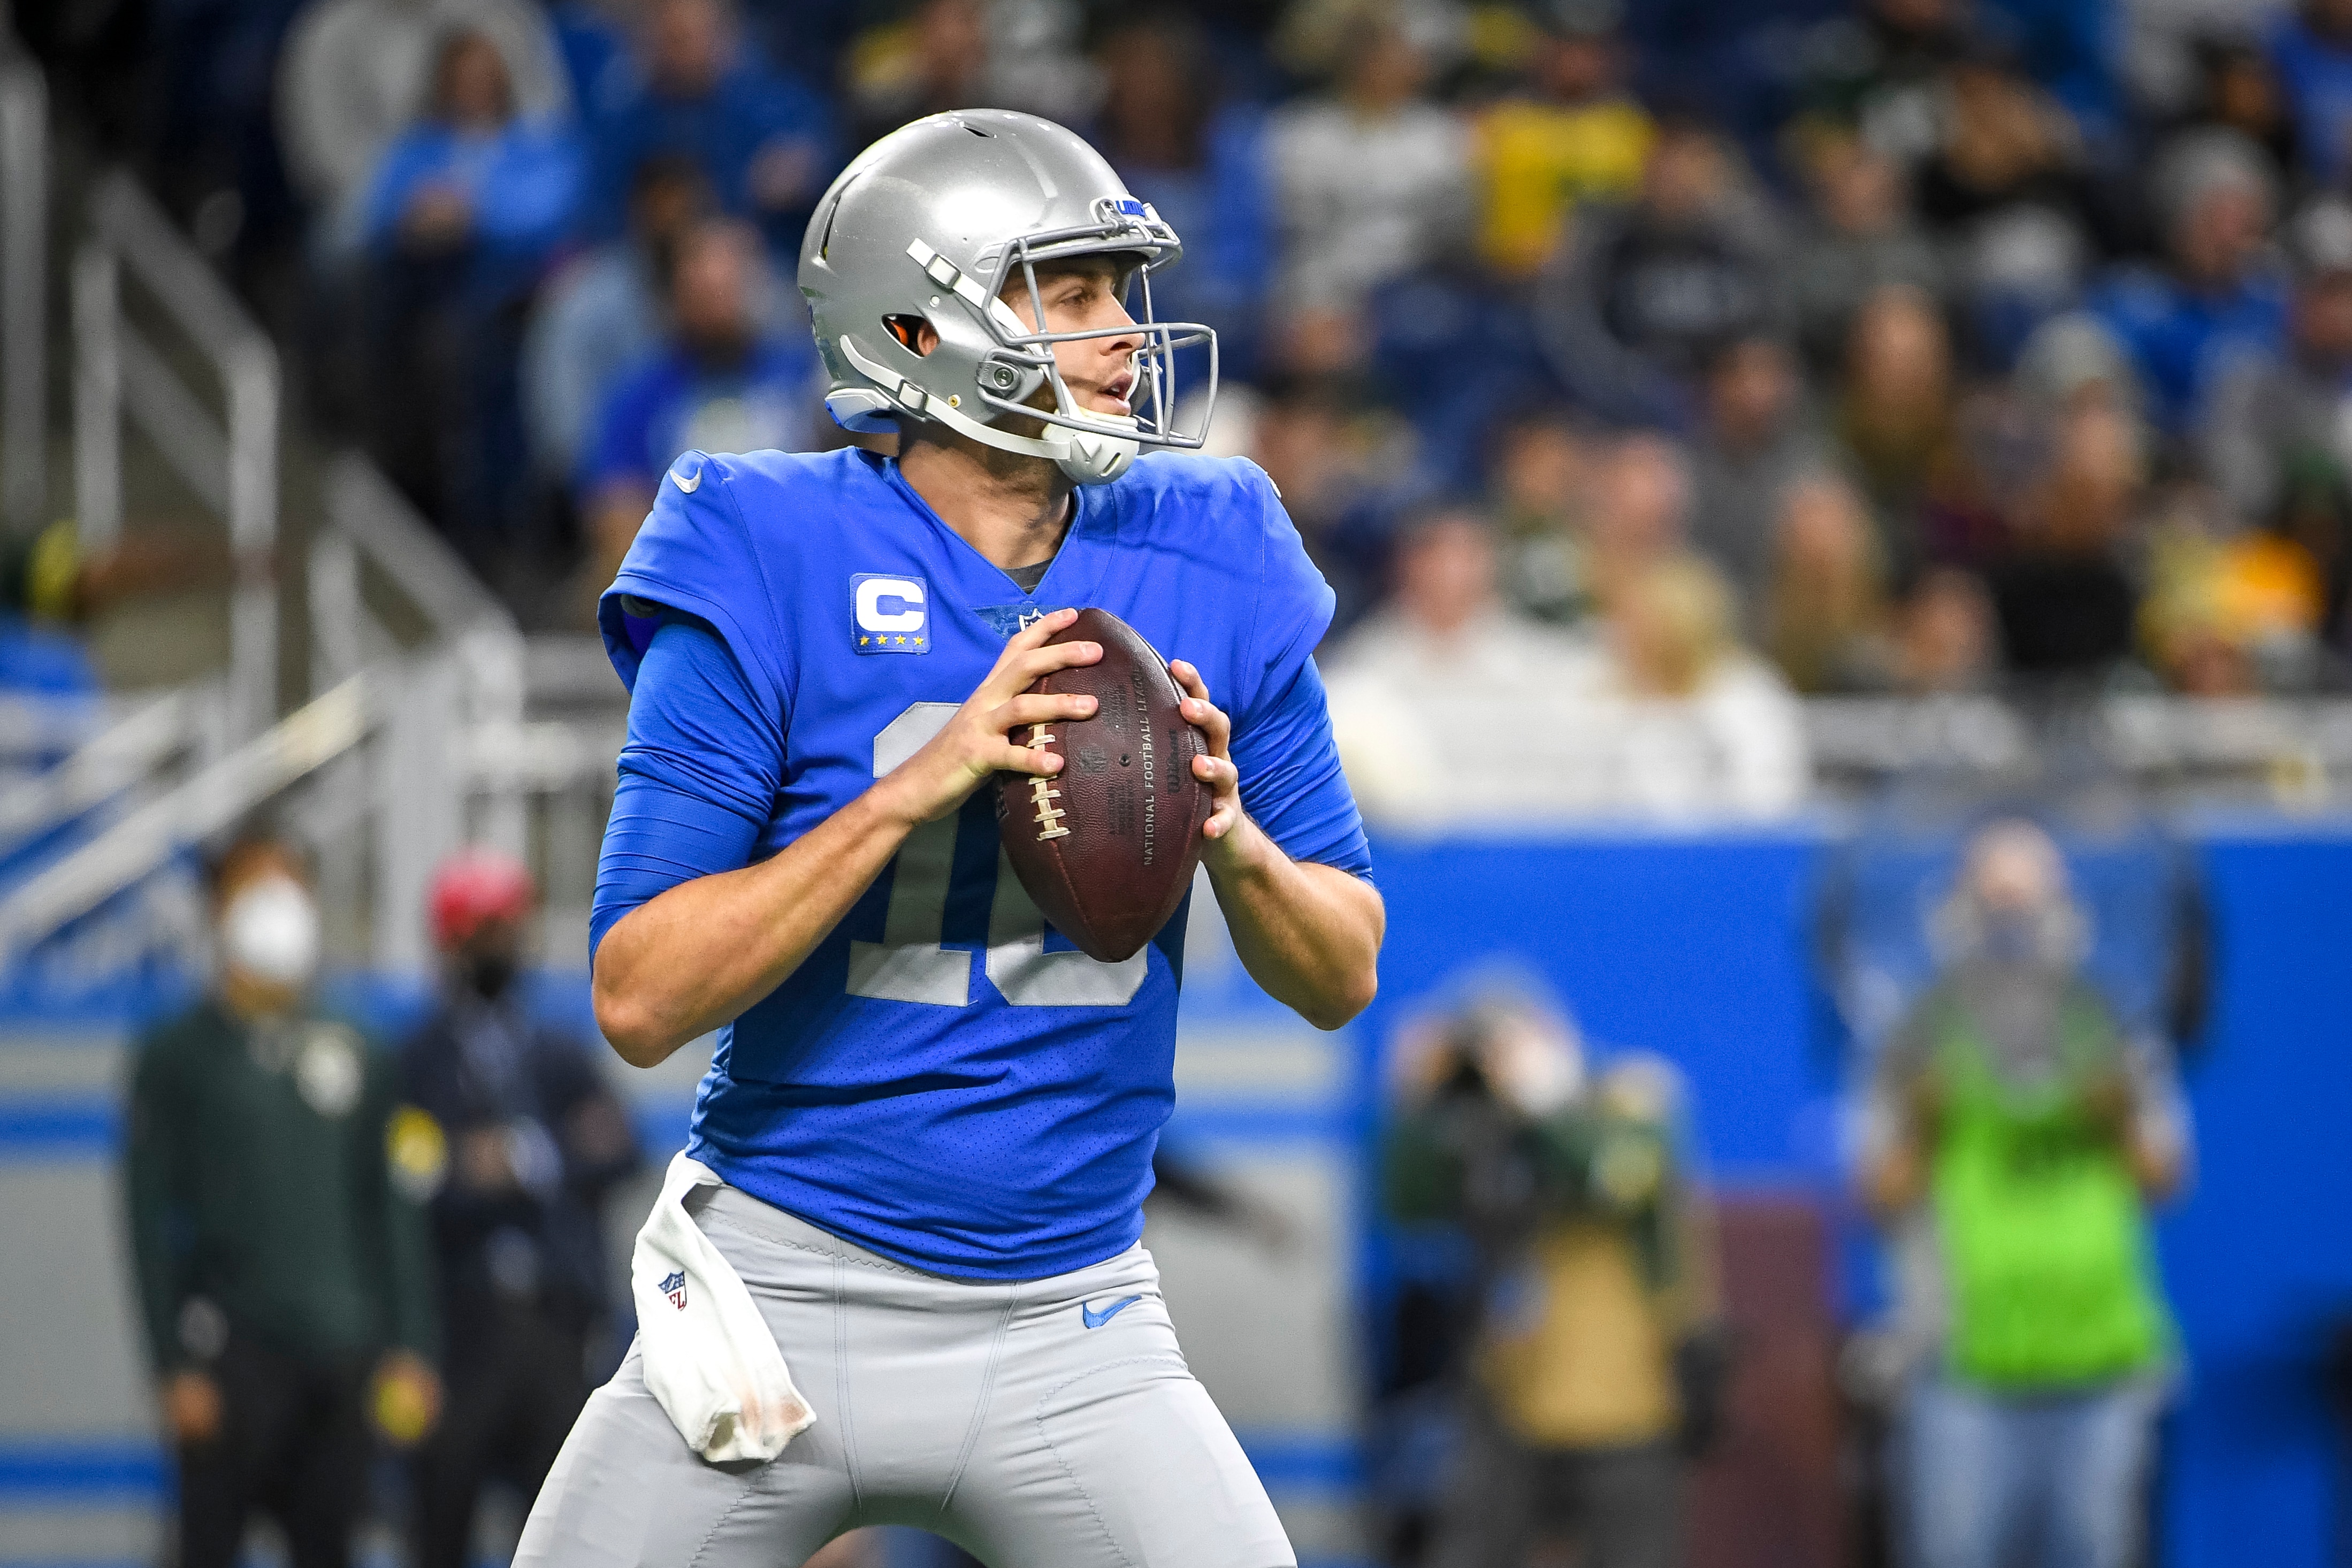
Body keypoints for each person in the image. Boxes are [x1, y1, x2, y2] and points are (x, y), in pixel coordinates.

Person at [514, 109, 1384, 1567]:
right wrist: (912, 789)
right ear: (918, 327)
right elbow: (640, 994)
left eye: (1123, 291)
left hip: (1072, 1318)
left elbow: (1341, 969)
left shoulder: (1211, 541)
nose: (1126, 334)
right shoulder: (765, 542)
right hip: (780, 1288)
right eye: (1074, 292)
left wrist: (1234, 841)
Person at [1861, 820, 2189, 1568]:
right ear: (1955, 908)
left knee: (2094, 1549)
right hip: (1960, 1361)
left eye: (2028, 898)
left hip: (2099, 1357)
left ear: (2065, 907)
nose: (2010, 920)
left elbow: (2164, 1178)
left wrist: (2119, 1114)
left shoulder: (2110, 1022)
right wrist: (1923, 1120)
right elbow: (1877, 1192)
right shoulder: (1918, 1031)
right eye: (1993, 899)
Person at [123, 835, 440, 1568]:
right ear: (218, 907)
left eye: (288, 883)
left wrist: (410, 1346)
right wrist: (171, 1363)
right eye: (254, 884)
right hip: (229, 1354)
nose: (276, 902)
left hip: (341, 1355)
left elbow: (393, 1207)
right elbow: (146, 1219)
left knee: (331, 1545)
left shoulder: (361, 1045)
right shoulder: (177, 1052)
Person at [1383, 994, 1724, 1568]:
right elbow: (1408, 1203)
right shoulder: (1488, 1126)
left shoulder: (1627, 1095)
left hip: (1623, 1399)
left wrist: (1544, 1102)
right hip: (1511, 1395)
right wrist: (1416, 1098)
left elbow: (1617, 1178)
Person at [399, 849, 643, 1568]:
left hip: (555, 1320)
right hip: (459, 1329)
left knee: (559, 1529)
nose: (497, 947)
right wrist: (534, 1156)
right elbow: (418, 1180)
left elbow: (619, 1147)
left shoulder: (557, 1053)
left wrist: (518, 1157)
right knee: (440, 1519)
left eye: (506, 929)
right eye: (481, 932)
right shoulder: (416, 1060)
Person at [361, 28, 586, 549]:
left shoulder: (535, 147)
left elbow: (554, 213)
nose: (475, 89)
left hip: (511, 296)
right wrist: (417, 220)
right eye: (463, 79)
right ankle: (414, 489)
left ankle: (495, 514)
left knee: (477, 353)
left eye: (485, 77)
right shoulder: (417, 151)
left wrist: (473, 214)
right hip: (424, 295)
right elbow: (380, 216)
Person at [575, 218, 816, 617]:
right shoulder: (639, 397)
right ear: (675, 296)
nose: (717, 305)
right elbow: (616, 513)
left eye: (728, 286)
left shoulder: (803, 375)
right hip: (684, 587)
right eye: (703, 290)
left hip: (801, 573)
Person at [278, 0, 571, 236]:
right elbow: (324, 168)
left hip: (507, 197)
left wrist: (479, 205)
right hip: (377, 212)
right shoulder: (328, 33)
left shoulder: (503, 13)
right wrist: (410, 209)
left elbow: (549, 135)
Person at [1266, 0, 1474, 315]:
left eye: (1395, 55)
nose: (1383, 67)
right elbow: (1295, 237)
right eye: (1372, 55)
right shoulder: (1298, 132)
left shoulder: (1443, 134)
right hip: (1322, 292)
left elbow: (1454, 232)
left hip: (1420, 293)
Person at [584, 0, 835, 248]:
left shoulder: (769, 100)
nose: (685, 51)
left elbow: (828, 161)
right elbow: (604, 207)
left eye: (694, 35)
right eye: (673, 38)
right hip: (656, 260)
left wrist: (802, 171)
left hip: (765, 253)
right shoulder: (629, 117)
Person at [1473, 0, 1655, 282]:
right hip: (1515, 282)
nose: (1576, 60)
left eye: (1589, 48)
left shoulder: (1633, 126)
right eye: (1566, 45)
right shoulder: (1502, 122)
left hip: (1613, 278)